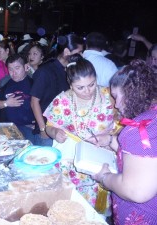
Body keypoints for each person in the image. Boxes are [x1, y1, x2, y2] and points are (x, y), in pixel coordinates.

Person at [43, 55, 116, 212]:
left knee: (94, 214)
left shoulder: (109, 96)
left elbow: (124, 125)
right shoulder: (63, 100)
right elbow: (48, 127)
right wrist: (55, 132)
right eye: (80, 87)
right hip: (71, 166)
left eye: (91, 84)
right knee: (70, 210)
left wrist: (111, 140)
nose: (87, 91)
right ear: (70, 84)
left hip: (100, 163)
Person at [91, 59, 157, 224]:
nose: (116, 105)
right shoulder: (152, 116)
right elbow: (144, 158)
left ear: (131, 93)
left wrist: (105, 178)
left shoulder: (139, 129)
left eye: (116, 97)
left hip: (142, 216)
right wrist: (110, 140)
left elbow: (137, 191)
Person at [30, 34, 84, 146]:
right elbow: (34, 101)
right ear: (66, 52)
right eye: (79, 52)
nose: (81, 55)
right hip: (47, 131)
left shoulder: (71, 70)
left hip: (65, 131)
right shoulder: (45, 71)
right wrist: (42, 129)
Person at [0, 54, 35, 143]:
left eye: (17, 68)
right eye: (10, 69)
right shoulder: (3, 83)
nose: (13, 73)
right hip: (7, 128)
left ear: (25, 67)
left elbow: (44, 104)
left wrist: (38, 123)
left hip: (28, 128)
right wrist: (6, 103)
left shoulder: (34, 82)